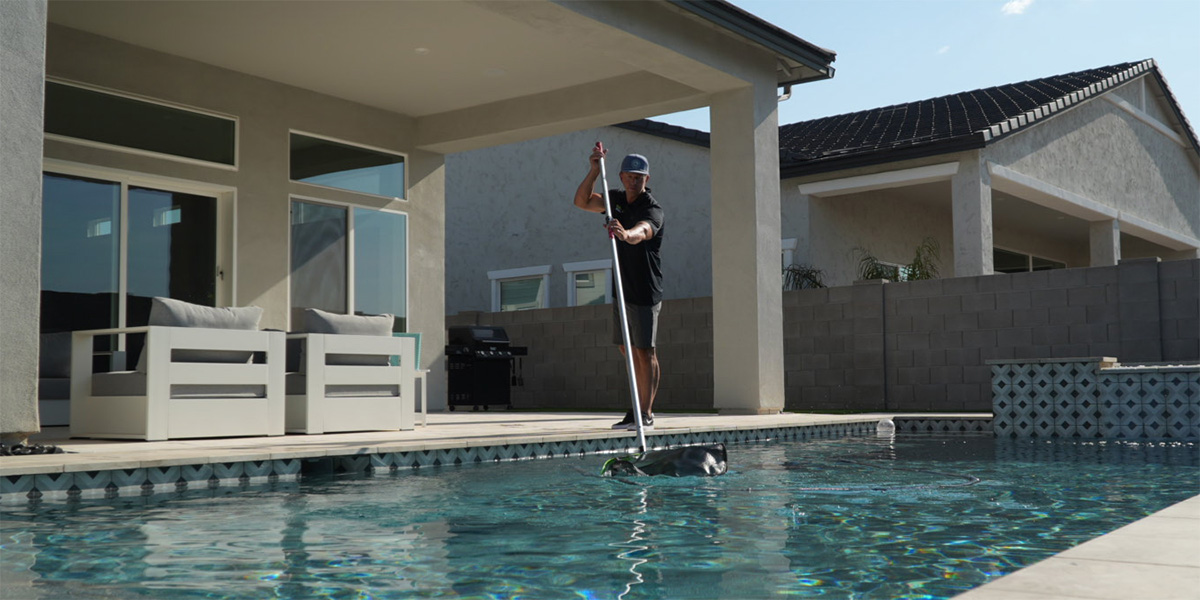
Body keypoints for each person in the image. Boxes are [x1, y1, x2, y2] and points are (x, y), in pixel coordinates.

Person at [573, 143, 664, 431]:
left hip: (645, 290)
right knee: (628, 348)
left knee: (644, 351)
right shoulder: (614, 199)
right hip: (621, 288)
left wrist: (626, 235)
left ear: (646, 180)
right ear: (622, 176)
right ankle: (638, 407)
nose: (634, 180)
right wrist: (593, 171)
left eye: (640, 177)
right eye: (629, 176)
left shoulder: (652, 208)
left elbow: (644, 231)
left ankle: (645, 413)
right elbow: (582, 201)